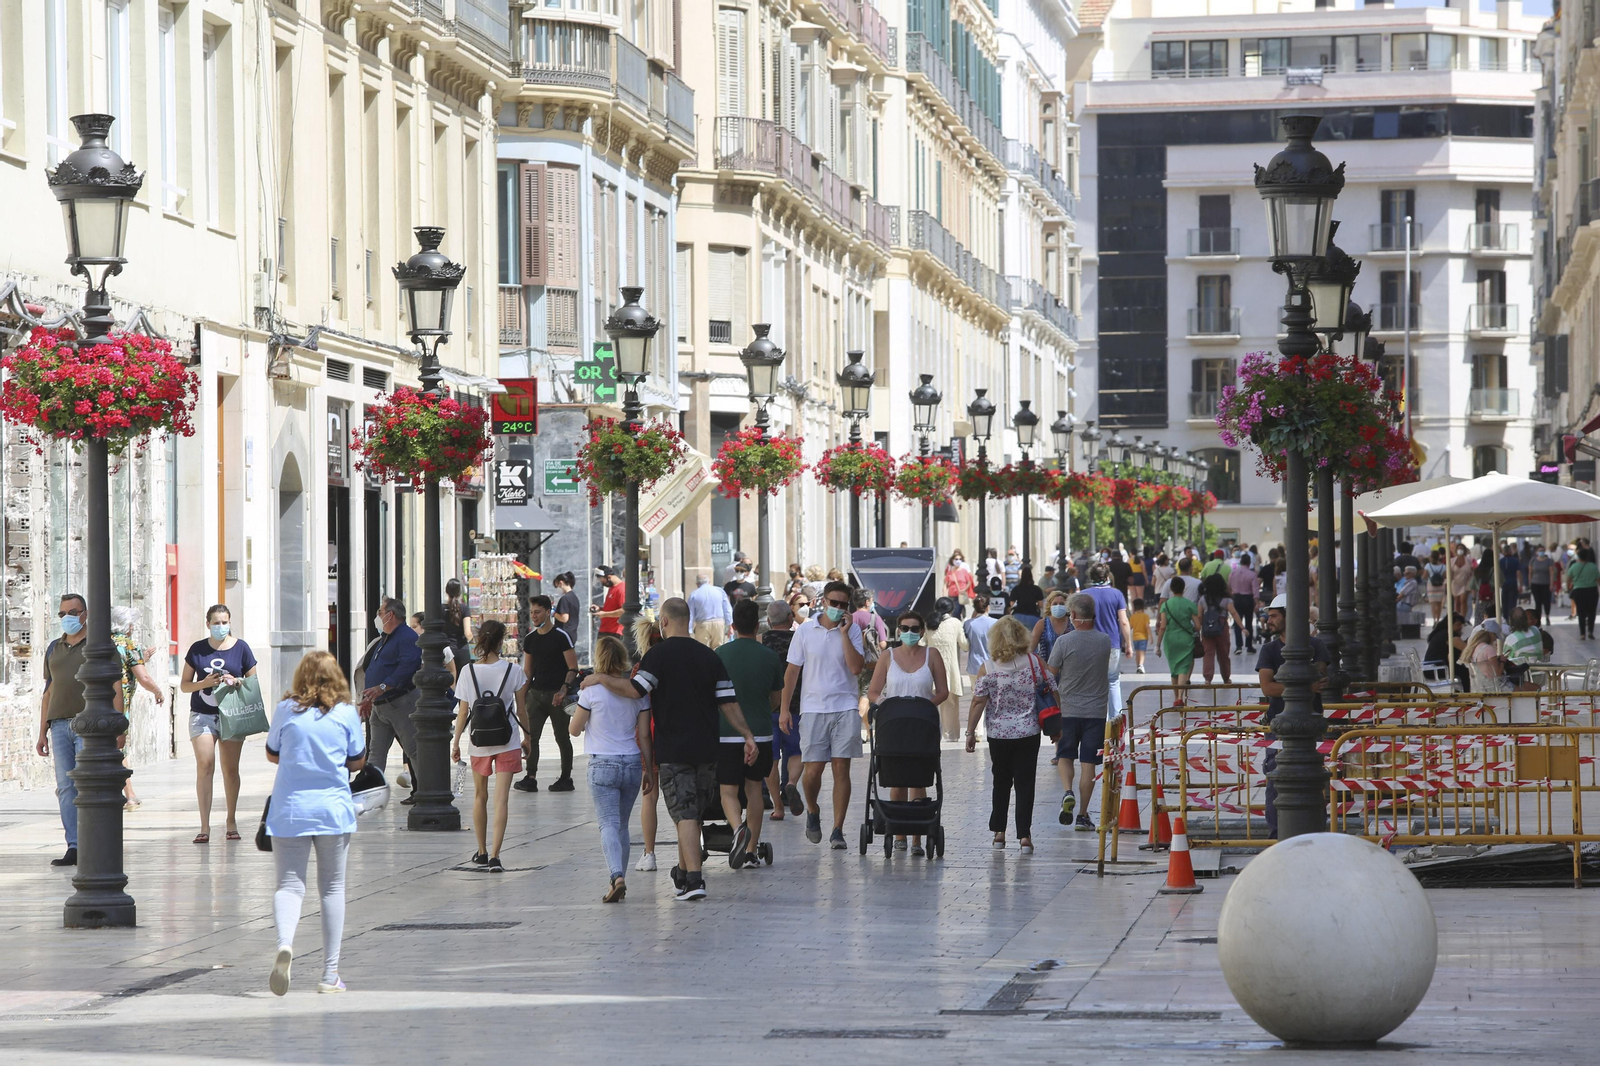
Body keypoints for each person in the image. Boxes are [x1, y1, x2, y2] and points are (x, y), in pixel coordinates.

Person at [583, 597, 755, 901]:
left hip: (674, 751)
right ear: (688, 620)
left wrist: (599, 678)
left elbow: (635, 689)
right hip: (707, 750)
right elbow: (728, 702)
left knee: (684, 813)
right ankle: (681, 872)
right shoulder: (709, 656)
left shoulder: (658, 656)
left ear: (663, 621)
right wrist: (747, 735)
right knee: (692, 812)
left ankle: (694, 880)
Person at [265, 651, 366, 996]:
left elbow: (272, 752)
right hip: (332, 811)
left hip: (290, 809)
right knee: (332, 889)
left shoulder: (286, 709)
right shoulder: (346, 713)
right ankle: (330, 974)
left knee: (288, 886)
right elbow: (357, 760)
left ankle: (285, 943)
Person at [781, 580, 867, 849]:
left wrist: (844, 634)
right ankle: (813, 809)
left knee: (841, 768)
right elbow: (792, 672)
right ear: (824, 601)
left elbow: (856, 668)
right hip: (813, 708)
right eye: (834, 602)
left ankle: (838, 829)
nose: (838, 608)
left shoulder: (852, 630)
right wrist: (784, 709)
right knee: (813, 771)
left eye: (843, 604)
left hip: (845, 706)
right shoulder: (806, 631)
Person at [570, 634, 653, 902]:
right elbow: (644, 735)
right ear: (622, 659)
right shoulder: (637, 693)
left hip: (602, 764)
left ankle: (616, 876)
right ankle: (620, 878)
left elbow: (574, 729)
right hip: (632, 763)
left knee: (607, 823)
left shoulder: (590, 692)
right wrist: (649, 770)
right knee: (622, 826)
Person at [868, 609, 949, 854]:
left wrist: (923, 707)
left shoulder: (932, 655)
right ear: (898, 630)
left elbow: (943, 691)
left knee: (919, 778)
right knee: (896, 776)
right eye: (905, 628)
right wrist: (886, 704)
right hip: (894, 725)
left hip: (922, 725)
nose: (909, 632)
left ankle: (917, 837)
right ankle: (898, 832)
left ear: (922, 631)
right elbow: (873, 691)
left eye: (914, 629)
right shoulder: (887, 656)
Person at [180, 603, 260, 843]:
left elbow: (253, 683)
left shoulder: (241, 648)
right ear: (208, 624)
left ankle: (231, 820)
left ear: (230, 622)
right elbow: (185, 685)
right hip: (202, 714)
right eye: (216, 623)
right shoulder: (197, 650)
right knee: (205, 765)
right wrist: (203, 684)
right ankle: (204, 826)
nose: (221, 626)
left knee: (230, 769)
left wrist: (236, 681)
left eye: (225, 622)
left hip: (232, 714)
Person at [964, 616, 1045, 851]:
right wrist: (1056, 725)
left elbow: (978, 701)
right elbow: (1051, 689)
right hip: (1029, 732)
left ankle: (999, 833)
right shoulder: (1034, 662)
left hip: (999, 735)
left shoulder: (988, 667)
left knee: (1001, 781)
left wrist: (970, 732)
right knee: (1025, 783)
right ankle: (1024, 836)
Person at [452, 621, 528, 872]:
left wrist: (456, 742)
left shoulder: (468, 671)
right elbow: (521, 709)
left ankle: (482, 852)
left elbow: (463, 712)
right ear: (501, 641)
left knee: (479, 796)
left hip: (479, 741)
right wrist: (527, 737)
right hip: (508, 739)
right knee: (501, 799)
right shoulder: (514, 671)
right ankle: (496, 856)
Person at [716, 598, 784, 868]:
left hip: (726, 733)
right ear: (758, 626)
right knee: (754, 788)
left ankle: (737, 830)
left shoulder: (720, 654)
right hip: (761, 733)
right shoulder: (770, 656)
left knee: (728, 790)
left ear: (732, 626)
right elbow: (776, 699)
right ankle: (751, 851)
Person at [1256, 595, 1330, 837]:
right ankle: (1277, 834)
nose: (1269, 620)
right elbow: (1268, 687)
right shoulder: (1269, 649)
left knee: (1314, 780)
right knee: (1275, 781)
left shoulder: (1316, 646)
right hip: (1278, 727)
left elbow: (1319, 675)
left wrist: (1299, 684)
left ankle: (1313, 831)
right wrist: (1306, 687)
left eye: (1274, 616)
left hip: (1311, 727)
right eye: (1269, 616)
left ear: (1291, 617)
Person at [1045, 594, 1113, 831]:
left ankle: (1067, 791)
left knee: (1065, 756)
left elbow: (1051, 673)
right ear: (1093, 614)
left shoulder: (1063, 642)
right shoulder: (1105, 641)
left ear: (1072, 615)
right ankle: (1083, 815)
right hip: (1095, 712)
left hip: (1067, 710)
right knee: (1089, 764)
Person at [36, 593, 92, 866]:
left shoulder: (97, 645)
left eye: (73, 612)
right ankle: (74, 845)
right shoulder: (53, 648)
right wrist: (41, 732)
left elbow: (115, 686)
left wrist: (118, 727)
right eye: (62, 614)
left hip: (88, 724)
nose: (67, 618)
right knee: (66, 787)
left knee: (87, 785)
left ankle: (92, 842)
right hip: (58, 724)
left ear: (85, 614)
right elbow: (48, 691)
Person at [354, 597, 419, 805]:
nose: (378, 616)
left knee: (413, 749)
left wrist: (383, 686)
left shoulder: (407, 637)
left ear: (390, 615)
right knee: (376, 752)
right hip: (379, 707)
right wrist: (369, 698)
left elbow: (407, 667)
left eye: (380, 612)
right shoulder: (385, 638)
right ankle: (370, 794)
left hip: (400, 703)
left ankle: (425, 792)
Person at [514, 595, 579, 793]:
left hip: (557, 695)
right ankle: (530, 776)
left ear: (548, 612)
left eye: (538, 612)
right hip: (536, 694)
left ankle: (566, 777)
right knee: (531, 736)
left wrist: (563, 689)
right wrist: (522, 696)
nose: (534, 616)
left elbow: (573, 667)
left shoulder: (561, 636)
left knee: (562, 736)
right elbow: (528, 671)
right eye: (531, 612)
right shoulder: (530, 639)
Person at [110, 605, 163, 812]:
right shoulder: (128, 644)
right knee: (118, 748)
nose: (133, 627)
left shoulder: (103, 642)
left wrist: (142, 658)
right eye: (131, 624)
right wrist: (157, 691)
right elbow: (144, 677)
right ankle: (130, 796)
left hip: (98, 703)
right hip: (119, 704)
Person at [760, 600, 805, 822]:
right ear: (790, 618)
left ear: (769, 621)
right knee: (796, 752)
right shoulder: (800, 641)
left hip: (767, 708)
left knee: (770, 758)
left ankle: (777, 806)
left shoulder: (760, 642)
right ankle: (791, 783)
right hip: (796, 706)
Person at [1078, 563, 1133, 718]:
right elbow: (1124, 621)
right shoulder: (1117, 594)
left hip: (1088, 644)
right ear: (1108, 576)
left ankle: (1095, 718)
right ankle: (1116, 720)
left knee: (1092, 682)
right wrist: (1128, 644)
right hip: (1112, 643)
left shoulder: (1083, 595)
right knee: (1113, 681)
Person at [924, 597, 969, 741]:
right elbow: (965, 645)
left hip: (931, 671)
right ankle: (951, 735)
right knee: (950, 705)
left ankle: (932, 734)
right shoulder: (955, 623)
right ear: (951, 610)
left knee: (931, 704)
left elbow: (921, 643)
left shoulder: (929, 623)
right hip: (950, 671)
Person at [1156, 575, 1198, 698]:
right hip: (1186, 639)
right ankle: (1180, 697)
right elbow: (1198, 625)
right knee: (1184, 668)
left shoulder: (1166, 605)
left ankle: (1176, 698)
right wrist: (1192, 630)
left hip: (1171, 640)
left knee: (1174, 669)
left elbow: (1163, 626)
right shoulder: (1189, 604)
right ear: (1183, 589)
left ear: (1171, 589)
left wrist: (1158, 645)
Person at [1197, 573, 1243, 684]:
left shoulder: (1203, 599)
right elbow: (1234, 613)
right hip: (1222, 629)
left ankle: (1208, 678)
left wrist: (1199, 628)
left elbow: (1199, 616)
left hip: (1207, 629)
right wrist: (1242, 627)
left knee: (1208, 654)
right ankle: (1226, 678)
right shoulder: (1226, 600)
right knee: (1223, 654)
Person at [1424, 616, 1470, 692]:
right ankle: (1465, 694)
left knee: (1462, 669)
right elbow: (1466, 649)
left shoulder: (1442, 633)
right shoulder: (1448, 635)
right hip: (1436, 669)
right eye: (1458, 624)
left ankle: (1461, 694)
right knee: (1464, 671)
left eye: (1462, 625)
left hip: (1434, 667)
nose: (1460, 627)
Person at [688, 573, 733, 648]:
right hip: (719, 623)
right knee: (718, 648)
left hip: (703, 624)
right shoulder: (720, 591)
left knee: (701, 649)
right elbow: (727, 609)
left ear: (697, 584)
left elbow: (690, 614)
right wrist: (730, 625)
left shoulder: (694, 594)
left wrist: (689, 630)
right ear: (709, 582)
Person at [1227, 553, 1260, 654]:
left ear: (1240, 562)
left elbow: (1229, 586)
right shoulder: (1252, 574)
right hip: (1248, 599)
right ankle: (1249, 646)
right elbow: (1255, 589)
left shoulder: (1233, 573)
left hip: (1236, 598)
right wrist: (1256, 602)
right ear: (1249, 563)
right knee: (1249, 622)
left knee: (1237, 621)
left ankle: (1238, 646)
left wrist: (1232, 597)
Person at [1031, 591, 1072, 668]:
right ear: (1049, 606)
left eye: (1062, 604)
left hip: (1069, 669)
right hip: (1047, 669)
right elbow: (1031, 647)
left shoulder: (1072, 622)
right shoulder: (1042, 624)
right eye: (1055, 604)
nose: (1058, 606)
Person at [965, 594, 997, 681]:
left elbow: (965, 645)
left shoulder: (968, 624)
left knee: (975, 689)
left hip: (974, 666)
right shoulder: (996, 623)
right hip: (992, 666)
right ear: (988, 607)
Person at [1570, 546, 1600, 639]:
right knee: (1592, 612)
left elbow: (1569, 578)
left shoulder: (1574, 566)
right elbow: (1598, 579)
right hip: (1592, 590)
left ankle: (1582, 634)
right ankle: (1590, 631)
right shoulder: (1593, 566)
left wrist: (1569, 587)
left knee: (1581, 612)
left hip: (1578, 591)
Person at [444, 577, 474, 665]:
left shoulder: (440, 609)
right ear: (459, 592)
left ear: (446, 591)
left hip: (446, 650)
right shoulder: (464, 608)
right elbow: (467, 633)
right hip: (462, 650)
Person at [590, 566, 626, 636]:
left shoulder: (621, 589)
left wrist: (604, 614)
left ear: (609, 577)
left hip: (614, 631)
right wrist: (600, 609)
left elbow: (623, 611)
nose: (602, 583)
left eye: (602, 580)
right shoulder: (612, 588)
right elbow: (612, 608)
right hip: (605, 629)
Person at [1010, 566, 1045, 631]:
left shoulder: (1016, 589)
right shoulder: (1036, 589)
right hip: (1033, 615)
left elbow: (1011, 604)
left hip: (1018, 615)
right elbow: (1041, 605)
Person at [551, 572, 581, 643]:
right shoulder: (574, 597)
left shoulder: (565, 599)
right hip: (572, 633)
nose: (557, 589)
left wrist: (553, 613)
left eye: (557, 586)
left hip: (564, 634)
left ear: (561, 583)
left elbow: (564, 618)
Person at [1527, 547, 1553, 628]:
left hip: (1546, 584)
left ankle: (1547, 616)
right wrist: (1530, 583)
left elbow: (1551, 573)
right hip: (1535, 584)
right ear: (1537, 552)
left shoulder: (1549, 561)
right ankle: (1538, 619)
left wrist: (1551, 584)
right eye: (1539, 551)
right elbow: (1530, 572)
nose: (1541, 552)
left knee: (1546, 601)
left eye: (1542, 550)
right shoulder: (1533, 560)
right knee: (1538, 602)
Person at [1499, 543, 1525, 622]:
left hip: (1504, 584)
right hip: (1513, 583)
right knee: (1512, 602)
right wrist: (1520, 585)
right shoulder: (1515, 561)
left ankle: (1505, 618)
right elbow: (1518, 573)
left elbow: (1498, 573)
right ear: (1510, 551)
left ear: (1503, 551)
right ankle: (1512, 618)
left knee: (1504, 602)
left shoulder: (1500, 561)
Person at [1450, 544, 1476, 621]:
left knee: (1463, 600)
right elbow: (1450, 572)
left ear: (1464, 550)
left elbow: (1472, 571)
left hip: (1466, 583)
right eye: (1458, 548)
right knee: (1457, 602)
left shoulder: (1469, 560)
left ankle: (1463, 618)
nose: (1460, 550)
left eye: (1461, 548)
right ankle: (1457, 617)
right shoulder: (1452, 561)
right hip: (1455, 583)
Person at [1129, 598, 1152, 673]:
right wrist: (1151, 637)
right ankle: (1141, 665)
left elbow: (1130, 627)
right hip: (1143, 637)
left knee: (1137, 653)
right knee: (1142, 652)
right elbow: (1147, 627)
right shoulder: (1145, 616)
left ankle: (1138, 666)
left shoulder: (1133, 617)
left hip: (1135, 638)